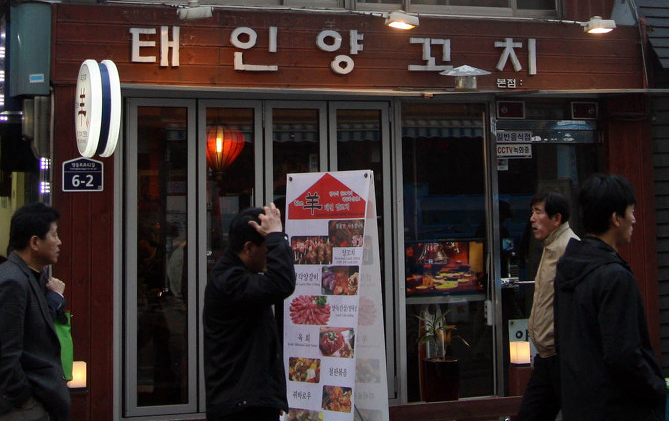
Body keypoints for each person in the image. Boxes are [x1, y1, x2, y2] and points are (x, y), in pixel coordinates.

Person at [554, 174, 665, 421]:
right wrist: (655, 388)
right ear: (616, 218)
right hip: (618, 408)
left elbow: (562, 343)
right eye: (631, 211)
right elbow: (623, 354)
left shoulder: (568, 268)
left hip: (579, 405)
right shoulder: (615, 277)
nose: (634, 219)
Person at [203, 203, 296, 421]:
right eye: (267, 249)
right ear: (249, 248)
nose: (269, 257)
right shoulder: (229, 280)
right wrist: (277, 237)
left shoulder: (237, 275)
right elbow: (281, 284)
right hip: (239, 406)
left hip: (248, 400)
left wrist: (272, 395)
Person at [0, 202, 71, 421]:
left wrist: (55, 299)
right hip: (22, 408)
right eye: (54, 235)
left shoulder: (32, 276)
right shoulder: (12, 282)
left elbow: (35, 326)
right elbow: (6, 353)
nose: (59, 242)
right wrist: (24, 399)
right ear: (34, 242)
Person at [517, 190, 578, 421]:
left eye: (538, 212)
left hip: (563, 357)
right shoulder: (551, 245)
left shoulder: (570, 248)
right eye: (532, 212)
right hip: (546, 357)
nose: (532, 219)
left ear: (556, 219)